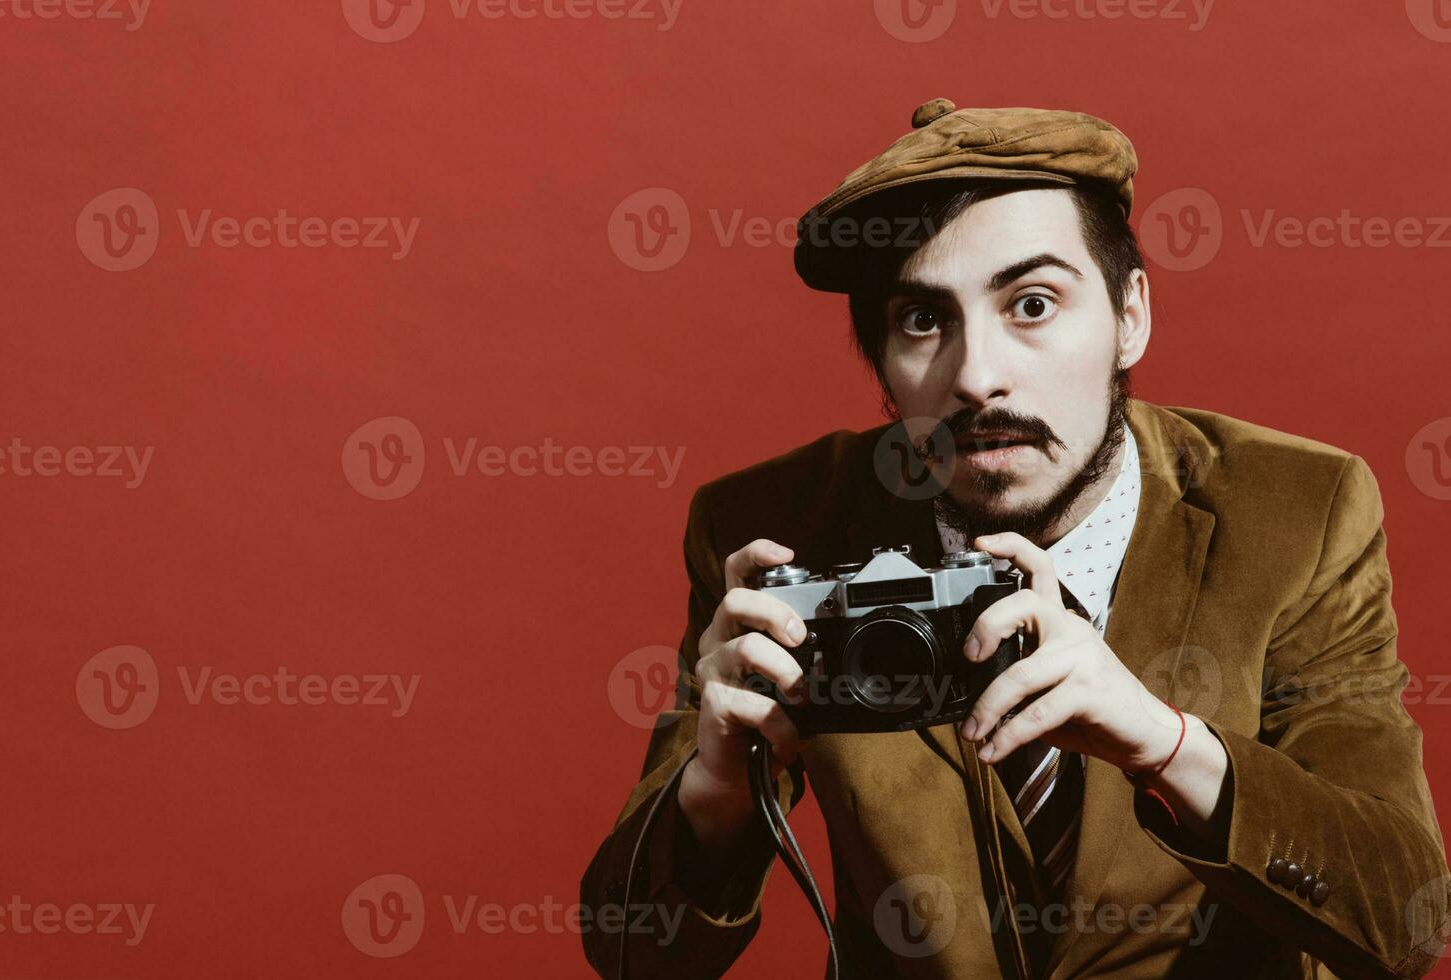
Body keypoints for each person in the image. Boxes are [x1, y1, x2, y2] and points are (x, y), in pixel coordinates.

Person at [580, 101, 1451, 978]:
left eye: (1032, 304)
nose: (978, 378)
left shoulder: (1298, 511)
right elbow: (634, 960)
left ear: (1130, 315)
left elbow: (1407, 924)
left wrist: (1166, 743)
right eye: (922, 321)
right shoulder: (775, 531)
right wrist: (718, 794)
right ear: (880, 362)